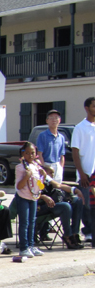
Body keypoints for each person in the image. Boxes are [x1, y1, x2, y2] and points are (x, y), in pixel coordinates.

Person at [35, 173, 85, 249]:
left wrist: (75, 190)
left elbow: (59, 185)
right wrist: (43, 197)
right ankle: (68, 236)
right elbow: (26, 193)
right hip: (39, 207)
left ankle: (74, 234)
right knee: (65, 206)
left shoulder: (45, 176)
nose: (52, 174)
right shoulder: (31, 175)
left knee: (77, 201)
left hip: (51, 205)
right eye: (50, 172)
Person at [13, 142, 44, 259]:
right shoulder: (20, 167)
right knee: (24, 223)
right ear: (23, 154)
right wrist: (26, 176)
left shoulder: (36, 166)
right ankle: (24, 248)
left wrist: (43, 175)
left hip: (33, 197)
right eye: (27, 153)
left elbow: (40, 184)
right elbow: (19, 186)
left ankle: (31, 245)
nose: (30, 155)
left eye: (33, 153)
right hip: (23, 197)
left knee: (32, 222)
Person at [71, 97, 95, 245]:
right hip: (86, 173)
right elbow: (75, 152)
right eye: (94, 106)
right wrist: (81, 173)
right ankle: (88, 232)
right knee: (87, 204)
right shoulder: (80, 128)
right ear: (87, 108)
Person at [36, 109, 66, 182]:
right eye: (51, 118)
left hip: (57, 165)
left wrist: (61, 168)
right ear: (47, 121)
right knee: (47, 186)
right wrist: (43, 167)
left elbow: (62, 155)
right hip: (47, 164)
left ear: (59, 120)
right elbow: (39, 154)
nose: (54, 120)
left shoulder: (61, 137)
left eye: (56, 118)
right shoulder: (42, 135)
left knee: (58, 187)